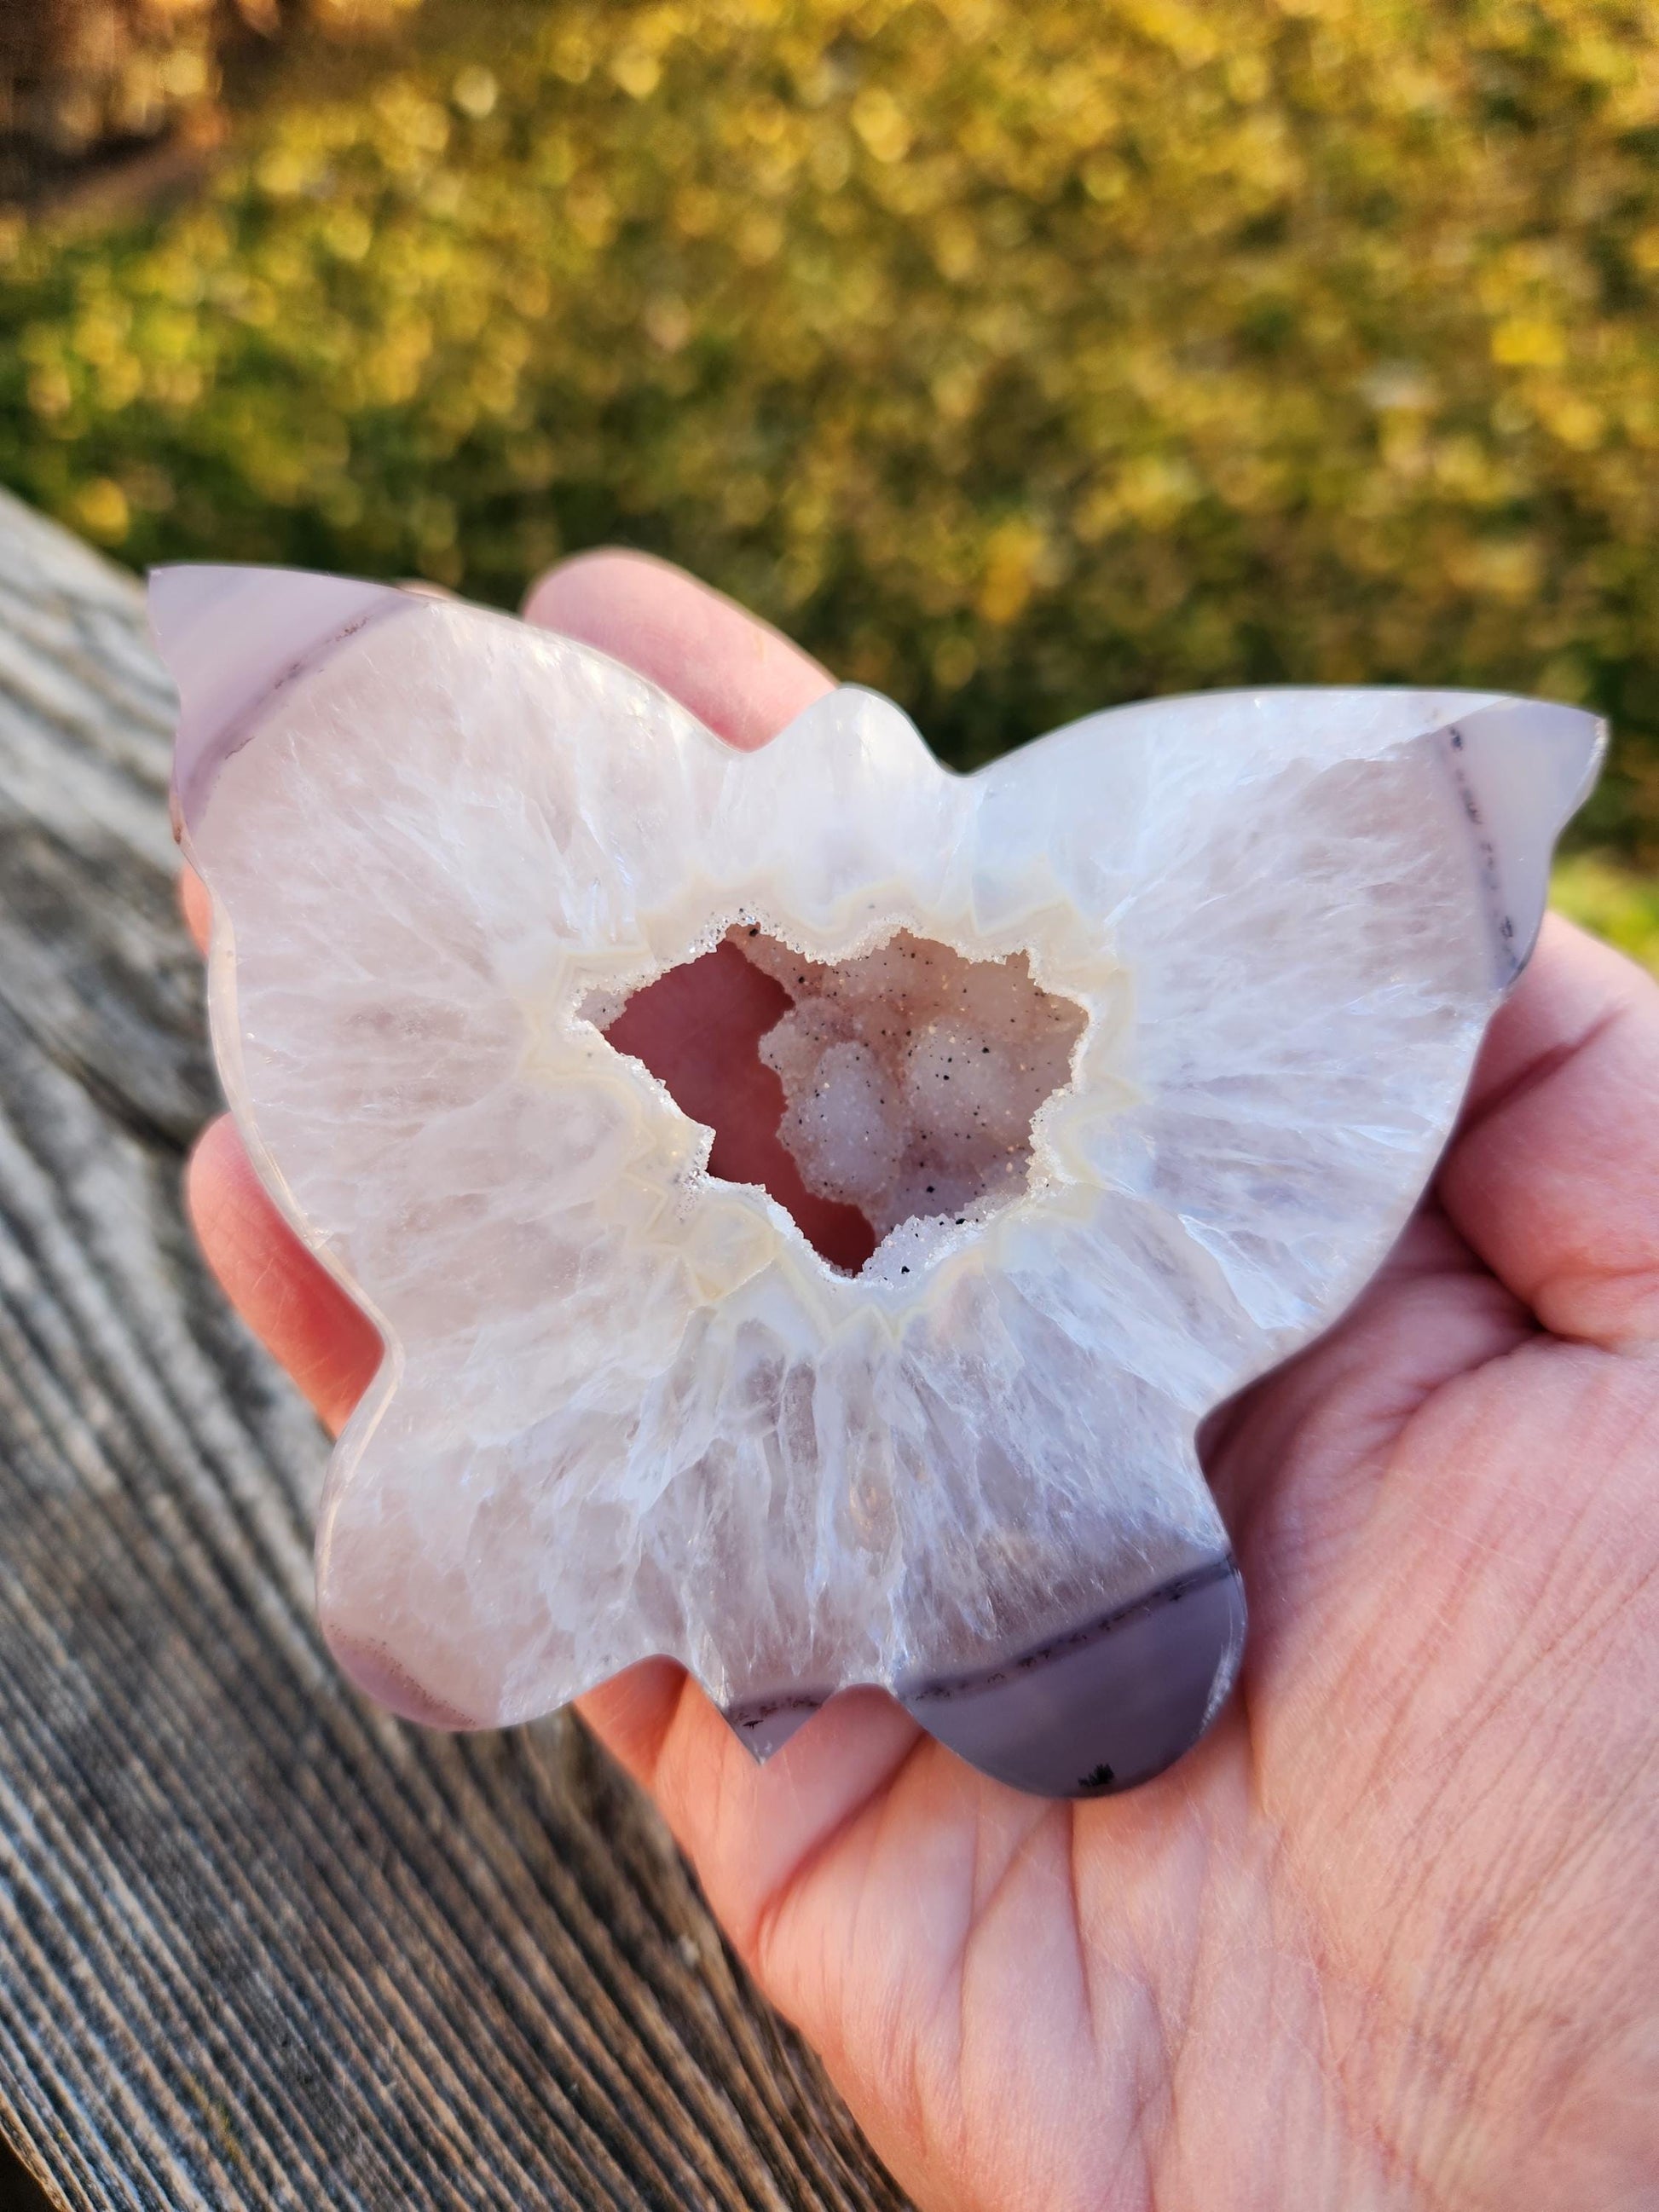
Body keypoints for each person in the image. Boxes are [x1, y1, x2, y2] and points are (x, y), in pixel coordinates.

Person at [181, 551, 1659, 2210]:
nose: (860, 747)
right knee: (465, 1557)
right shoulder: (554, 1363)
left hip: (1059, 1534)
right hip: (587, 1447)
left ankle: (1064, 1657)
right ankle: (1048, 1660)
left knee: (515, 1557)